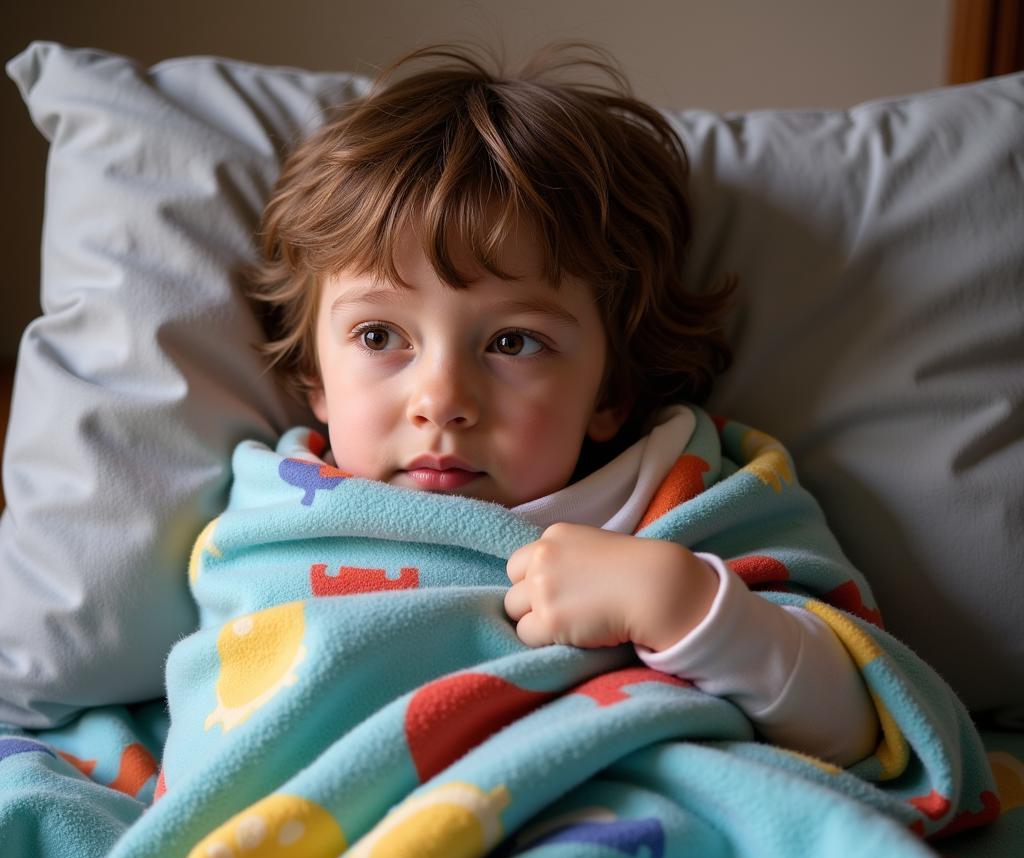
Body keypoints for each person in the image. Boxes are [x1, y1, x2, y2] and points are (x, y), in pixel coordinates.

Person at [245, 41, 879, 767]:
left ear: (609, 392)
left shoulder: (687, 501)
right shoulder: (272, 529)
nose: (442, 402)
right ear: (316, 378)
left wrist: (686, 605)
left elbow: (866, 728)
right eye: (379, 334)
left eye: (514, 343)